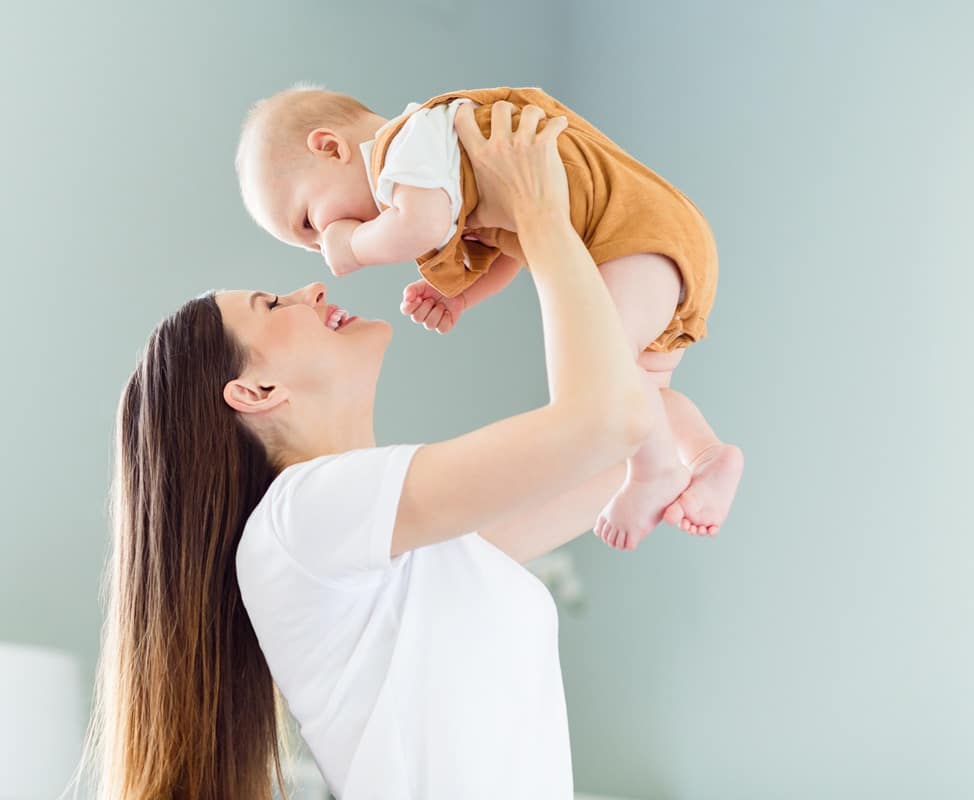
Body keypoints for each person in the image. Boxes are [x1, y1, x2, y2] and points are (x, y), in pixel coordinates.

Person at [89, 103, 647, 799]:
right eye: (273, 305)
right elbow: (611, 423)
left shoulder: (385, 545)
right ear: (255, 389)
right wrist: (537, 216)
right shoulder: (300, 517)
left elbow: (623, 448)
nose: (314, 286)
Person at [235, 85, 744, 551]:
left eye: (310, 224)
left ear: (330, 147)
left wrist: (354, 245)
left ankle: (654, 473)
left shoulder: (403, 147)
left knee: (606, 372)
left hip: (632, 235)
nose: (322, 246)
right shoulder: (445, 169)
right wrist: (462, 297)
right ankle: (704, 455)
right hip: (648, 244)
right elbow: (511, 245)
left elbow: (420, 226)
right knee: (638, 384)